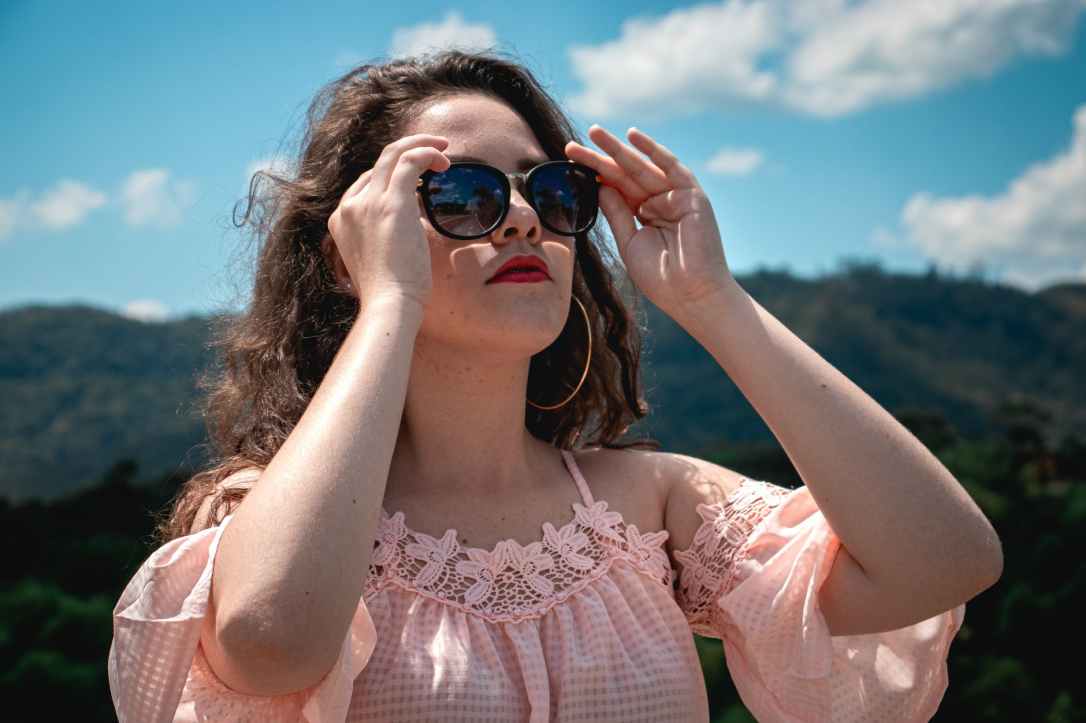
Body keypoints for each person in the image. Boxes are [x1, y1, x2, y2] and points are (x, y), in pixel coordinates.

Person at [107, 49, 1001, 722]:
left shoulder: (650, 504)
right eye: (457, 194)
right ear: (354, 244)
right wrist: (390, 302)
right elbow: (271, 643)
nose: (528, 215)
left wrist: (710, 298)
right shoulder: (265, 514)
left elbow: (944, 561)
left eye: (554, 190)